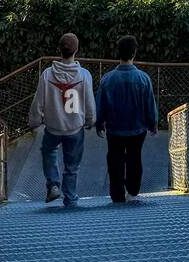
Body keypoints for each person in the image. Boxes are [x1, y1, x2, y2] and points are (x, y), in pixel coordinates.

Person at [28, 32, 95, 205]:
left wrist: (35, 121)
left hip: (53, 128)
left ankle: (53, 185)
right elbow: (89, 102)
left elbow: (38, 102)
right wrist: (90, 120)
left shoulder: (47, 75)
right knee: (72, 166)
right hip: (75, 128)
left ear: (60, 50)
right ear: (76, 50)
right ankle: (70, 198)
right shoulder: (84, 75)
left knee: (49, 151)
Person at [95, 36, 158, 203]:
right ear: (134, 53)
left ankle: (117, 195)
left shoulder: (107, 79)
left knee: (115, 160)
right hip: (138, 129)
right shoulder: (144, 79)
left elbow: (101, 105)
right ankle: (133, 190)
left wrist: (99, 123)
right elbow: (149, 104)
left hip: (115, 129)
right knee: (134, 158)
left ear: (118, 53)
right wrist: (152, 123)